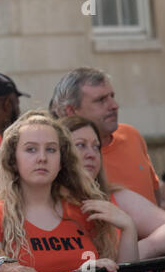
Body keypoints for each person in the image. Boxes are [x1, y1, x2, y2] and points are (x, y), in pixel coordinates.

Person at [0, 110, 139, 272]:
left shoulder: (85, 211)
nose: (42, 158)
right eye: (31, 149)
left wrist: (129, 227)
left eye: (51, 149)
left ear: (62, 160)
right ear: (13, 159)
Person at [49, 67, 164, 207]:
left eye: (112, 97)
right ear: (72, 111)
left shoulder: (131, 135)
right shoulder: (58, 157)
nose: (114, 106)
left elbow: (154, 192)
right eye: (100, 100)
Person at [59, 115, 165, 260]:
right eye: (80, 145)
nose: (91, 154)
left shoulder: (115, 197)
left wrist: (140, 250)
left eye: (96, 147)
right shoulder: (43, 202)